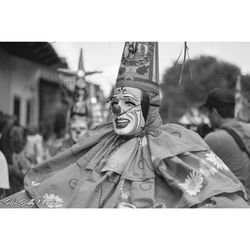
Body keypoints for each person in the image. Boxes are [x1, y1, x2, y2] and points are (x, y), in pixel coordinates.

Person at [0, 42, 248, 208]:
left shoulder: (181, 146)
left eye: (128, 101)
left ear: (149, 106)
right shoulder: (97, 142)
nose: (117, 107)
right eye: (114, 101)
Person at [202, 88, 250, 202]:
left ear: (214, 112)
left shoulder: (214, 138)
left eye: (208, 113)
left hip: (236, 203)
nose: (208, 117)